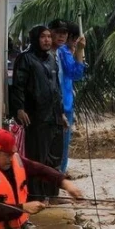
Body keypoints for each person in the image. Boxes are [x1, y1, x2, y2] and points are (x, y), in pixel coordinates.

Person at [9, 25, 66, 201]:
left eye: (49, 36)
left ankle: (51, 194)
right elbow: (17, 86)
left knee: (54, 157)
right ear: (35, 39)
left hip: (54, 117)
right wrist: (19, 108)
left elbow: (56, 89)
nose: (47, 40)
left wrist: (61, 113)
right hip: (36, 117)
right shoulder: (25, 59)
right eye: (43, 37)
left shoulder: (51, 59)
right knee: (37, 159)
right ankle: (36, 196)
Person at [49, 20, 86, 174]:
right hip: (63, 105)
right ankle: (59, 177)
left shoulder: (61, 51)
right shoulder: (63, 51)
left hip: (63, 104)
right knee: (62, 146)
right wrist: (79, 52)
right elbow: (75, 73)